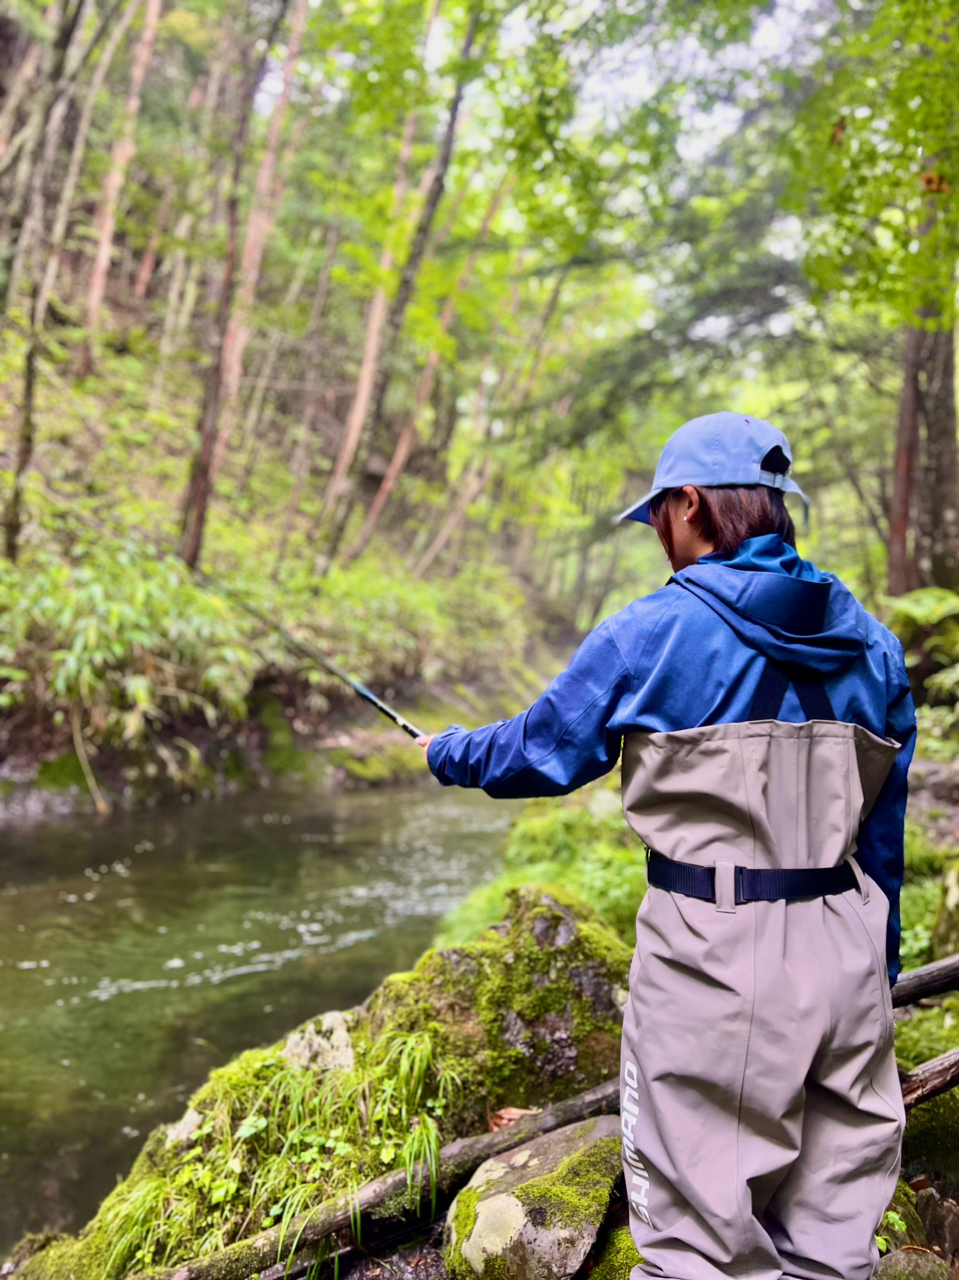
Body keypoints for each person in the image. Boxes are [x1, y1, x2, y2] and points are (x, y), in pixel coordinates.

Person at [417, 411, 915, 1280]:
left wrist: (443, 751)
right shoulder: (870, 641)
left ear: (690, 503)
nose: (656, 534)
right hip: (846, 941)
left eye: (657, 515)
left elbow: (540, 749)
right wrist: (881, 958)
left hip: (712, 952)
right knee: (835, 1235)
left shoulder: (649, 633)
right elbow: (883, 826)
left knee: (695, 1244)